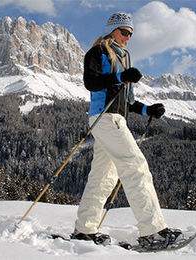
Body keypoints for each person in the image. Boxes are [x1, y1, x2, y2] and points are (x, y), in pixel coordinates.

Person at [71, 12, 181, 248]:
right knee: (136, 166)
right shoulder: (98, 52)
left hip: (114, 119)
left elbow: (128, 101)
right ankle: (153, 232)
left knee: (103, 177)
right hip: (105, 118)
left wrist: (147, 110)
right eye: (124, 32)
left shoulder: (122, 59)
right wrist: (120, 76)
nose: (128, 37)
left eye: (131, 34)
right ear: (112, 29)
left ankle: (84, 230)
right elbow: (91, 82)